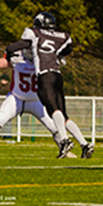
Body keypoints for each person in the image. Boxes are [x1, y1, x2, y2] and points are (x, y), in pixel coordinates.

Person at [5, 12, 94, 159]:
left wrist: (9, 52)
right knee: (64, 116)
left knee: (54, 110)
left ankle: (64, 141)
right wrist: (57, 55)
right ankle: (84, 144)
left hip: (45, 76)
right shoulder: (61, 36)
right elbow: (68, 50)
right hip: (57, 75)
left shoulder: (34, 33)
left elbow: (14, 47)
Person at [0, 49, 77, 157]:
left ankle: (65, 150)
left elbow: (59, 65)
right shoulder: (17, 57)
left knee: (54, 127)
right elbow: (4, 62)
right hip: (16, 98)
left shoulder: (43, 60)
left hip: (36, 100)